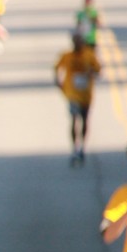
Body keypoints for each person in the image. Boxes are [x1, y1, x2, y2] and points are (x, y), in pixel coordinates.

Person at [54, 33, 101, 166]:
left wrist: (91, 73)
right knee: (74, 119)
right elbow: (57, 68)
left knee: (84, 120)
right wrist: (58, 81)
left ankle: (82, 146)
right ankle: (75, 147)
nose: (77, 44)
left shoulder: (89, 55)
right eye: (75, 42)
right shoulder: (67, 56)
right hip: (72, 94)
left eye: (79, 42)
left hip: (86, 94)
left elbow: (98, 70)